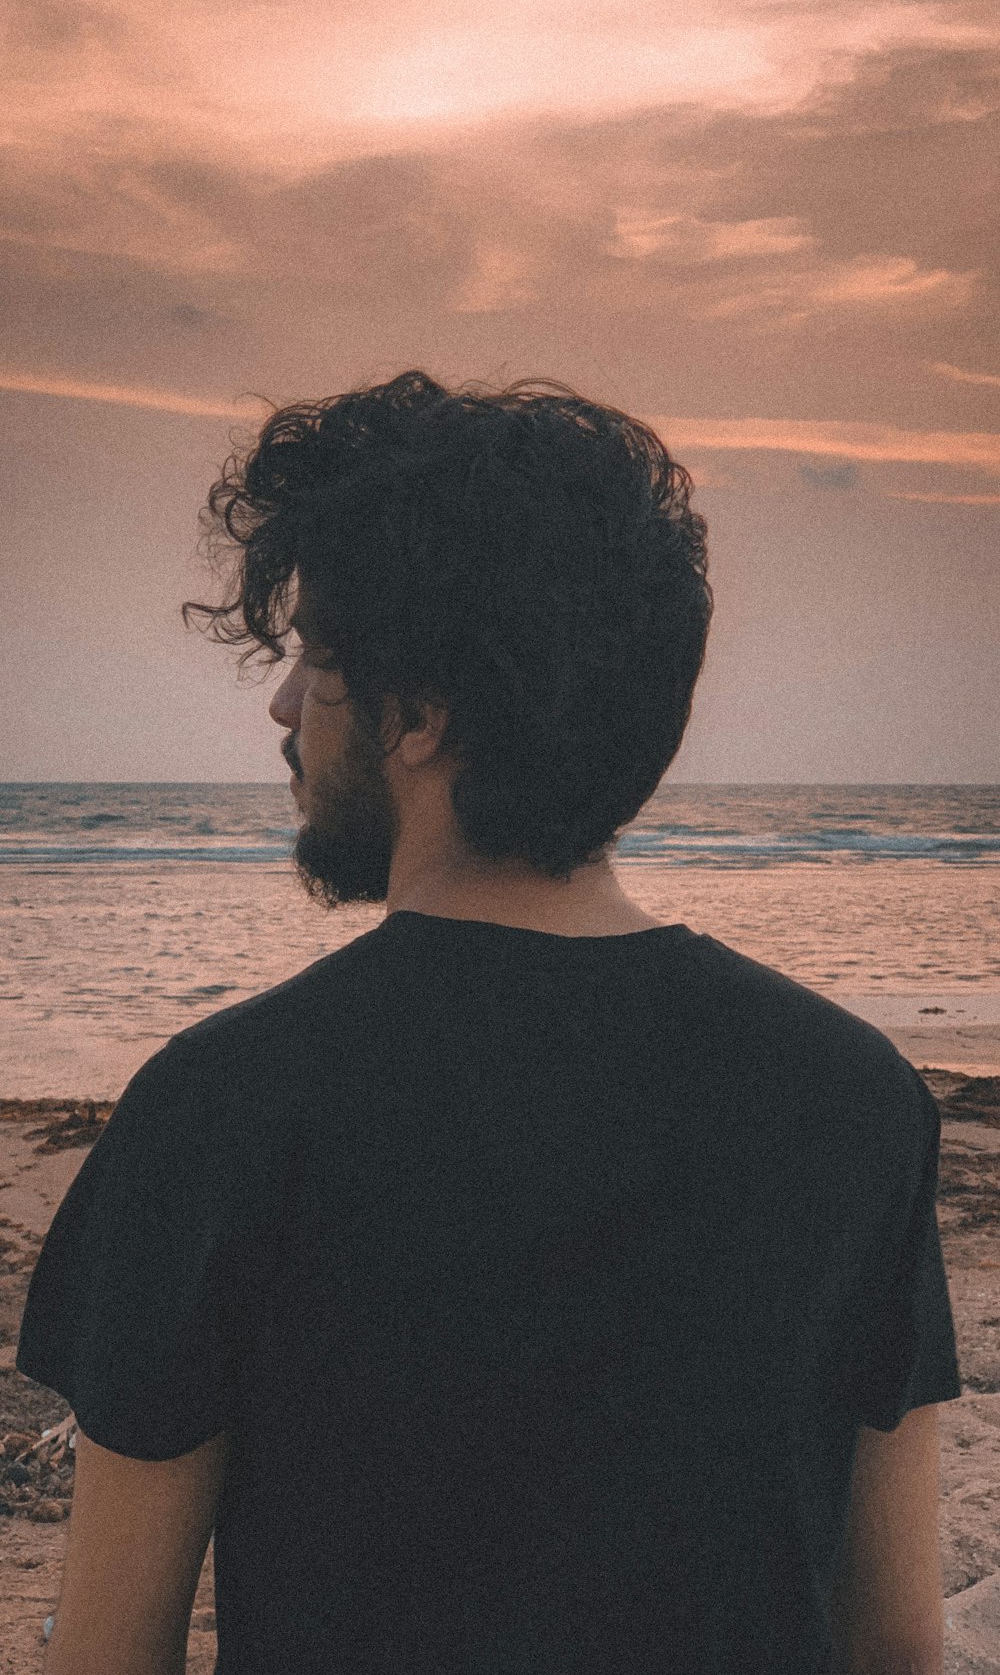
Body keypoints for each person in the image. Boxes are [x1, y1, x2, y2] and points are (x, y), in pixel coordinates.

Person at [16, 370, 961, 1674]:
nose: (284, 710)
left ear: (424, 709)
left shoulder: (225, 1104)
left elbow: (109, 1654)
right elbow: (900, 1647)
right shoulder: (856, 1099)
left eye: (317, 658)